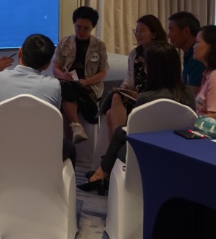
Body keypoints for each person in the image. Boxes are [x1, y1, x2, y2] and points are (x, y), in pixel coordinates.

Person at [81, 41, 193, 193]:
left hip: (144, 154)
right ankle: (101, 174)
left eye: (146, 65)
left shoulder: (148, 98)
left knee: (120, 134)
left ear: (154, 69)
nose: (144, 69)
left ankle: (101, 174)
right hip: (178, 154)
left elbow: (135, 132)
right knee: (120, 133)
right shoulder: (188, 95)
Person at [0, 33, 75, 164]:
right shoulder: (53, 85)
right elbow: (54, 114)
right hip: (44, 151)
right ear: (47, 65)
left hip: (4, 148)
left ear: (20, 52)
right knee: (70, 148)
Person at [102, 15, 169, 140]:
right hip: (134, 95)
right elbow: (129, 76)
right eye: (136, 31)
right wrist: (124, 87)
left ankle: (117, 144)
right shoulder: (135, 53)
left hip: (150, 97)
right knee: (113, 105)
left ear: (154, 34)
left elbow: (161, 84)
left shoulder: (160, 55)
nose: (138, 34)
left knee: (112, 110)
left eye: (142, 31)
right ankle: (117, 144)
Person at [51, 6, 108, 144]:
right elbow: (55, 68)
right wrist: (63, 76)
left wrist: (86, 81)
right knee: (65, 87)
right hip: (67, 82)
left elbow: (103, 72)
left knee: (65, 94)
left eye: (86, 28)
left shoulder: (99, 45)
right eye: (78, 27)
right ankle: (76, 128)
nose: (81, 31)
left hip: (89, 86)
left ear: (92, 27)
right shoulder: (64, 42)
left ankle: (70, 140)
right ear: (74, 24)